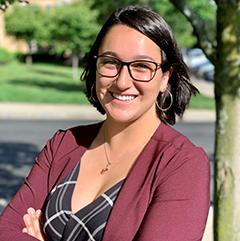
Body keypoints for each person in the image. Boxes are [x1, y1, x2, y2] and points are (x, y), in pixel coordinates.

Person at [0, 5, 210, 241]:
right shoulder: (64, 144)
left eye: (142, 66)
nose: (122, 82)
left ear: (165, 77)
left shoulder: (182, 164)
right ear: (96, 66)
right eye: (110, 62)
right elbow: (5, 230)